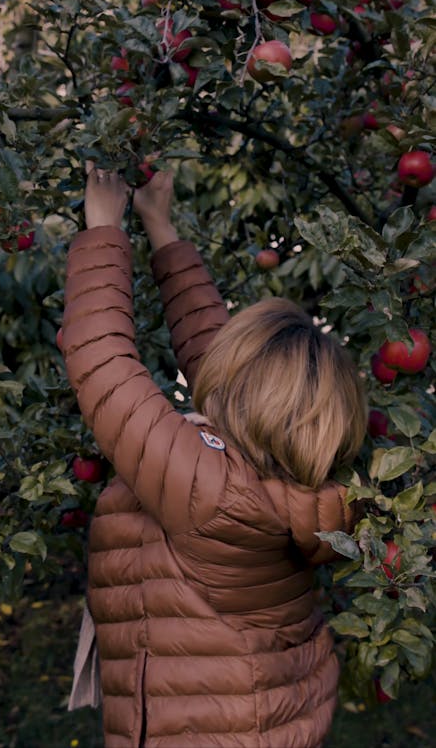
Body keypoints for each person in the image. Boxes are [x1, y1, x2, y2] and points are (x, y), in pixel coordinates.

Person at [62, 164, 367, 748]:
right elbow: (212, 348)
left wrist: (103, 228)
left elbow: (103, 362)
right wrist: (159, 225)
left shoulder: (213, 492)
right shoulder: (279, 475)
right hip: (255, 714)